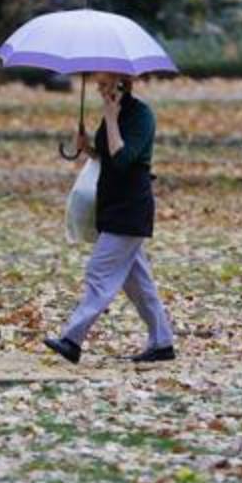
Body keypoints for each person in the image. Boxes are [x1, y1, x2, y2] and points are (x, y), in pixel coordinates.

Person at [45, 72, 175, 364]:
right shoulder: (114, 113)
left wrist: (112, 118)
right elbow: (106, 156)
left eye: (104, 85)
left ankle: (72, 340)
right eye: (98, 85)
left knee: (99, 273)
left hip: (130, 207)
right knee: (139, 284)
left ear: (120, 82)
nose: (99, 90)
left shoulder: (140, 115)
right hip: (113, 204)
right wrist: (87, 146)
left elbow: (123, 158)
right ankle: (162, 342)